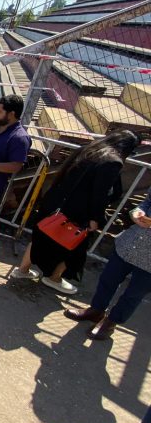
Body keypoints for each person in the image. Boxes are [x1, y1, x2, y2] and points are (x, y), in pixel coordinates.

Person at [11, 130, 138, 295]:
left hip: (56, 202)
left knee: (41, 237)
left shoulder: (89, 149)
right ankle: (54, 278)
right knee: (75, 246)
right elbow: (99, 194)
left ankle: (22, 270)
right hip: (77, 212)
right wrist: (95, 218)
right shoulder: (113, 162)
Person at [63, 187, 151, 339]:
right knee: (108, 278)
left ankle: (111, 322)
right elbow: (148, 201)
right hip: (131, 243)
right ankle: (96, 310)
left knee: (134, 293)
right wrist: (137, 212)